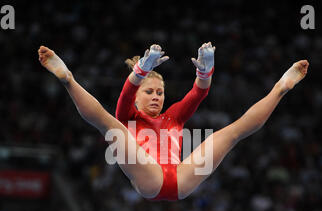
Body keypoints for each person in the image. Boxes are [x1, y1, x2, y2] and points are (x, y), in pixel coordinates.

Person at [38, 43, 308, 201]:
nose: (156, 97)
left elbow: (198, 93)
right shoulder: (128, 116)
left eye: (160, 92)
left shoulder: (173, 116)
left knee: (230, 133)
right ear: (138, 96)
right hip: (149, 179)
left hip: (181, 179)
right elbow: (125, 95)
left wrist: (205, 71)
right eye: (149, 92)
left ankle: (280, 89)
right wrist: (140, 71)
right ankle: (68, 80)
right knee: (111, 126)